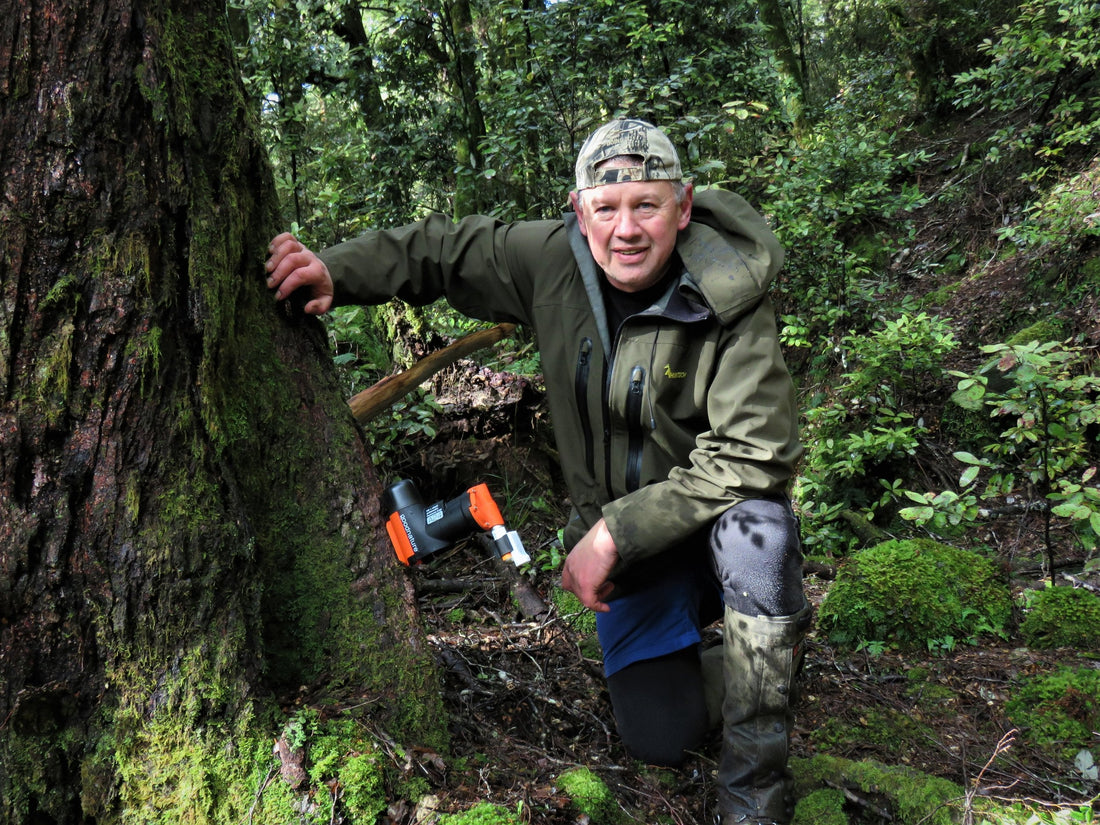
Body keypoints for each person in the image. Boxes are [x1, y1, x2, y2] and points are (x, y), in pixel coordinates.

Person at [265, 118, 810, 825]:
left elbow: (756, 449)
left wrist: (611, 533)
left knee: (760, 532)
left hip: (708, 535)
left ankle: (753, 790)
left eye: (647, 205)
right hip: (637, 564)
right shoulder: (553, 261)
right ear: (580, 213)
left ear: (682, 206)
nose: (626, 230)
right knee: (659, 737)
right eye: (606, 208)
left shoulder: (727, 288)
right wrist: (335, 270)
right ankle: (763, 662)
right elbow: (445, 252)